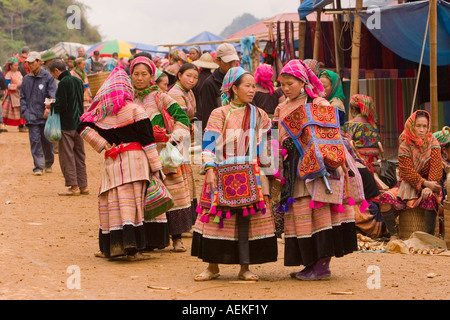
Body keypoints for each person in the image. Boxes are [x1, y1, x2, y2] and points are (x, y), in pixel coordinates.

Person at [273, 59, 357, 280]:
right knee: (301, 212)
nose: (286, 87)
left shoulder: (319, 103)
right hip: (294, 169)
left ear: (302, 81)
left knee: (321, 211)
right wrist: (284, 146)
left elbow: (330, 133)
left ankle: (322, 266)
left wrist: (306, 142)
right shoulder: (280, 107)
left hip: (321, 168)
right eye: (282, 83)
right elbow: (275, 135)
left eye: (290, 83)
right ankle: (310, 263)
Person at [191, 66, 276, 281]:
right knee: (217, 220)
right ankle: (212, 267)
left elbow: (267, 143)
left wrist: (270, 171)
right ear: (233, 88)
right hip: (223, 171)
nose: (252, 90)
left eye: (253, 86)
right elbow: (209, 142)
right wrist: (209, 168)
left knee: (248, 221)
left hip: (253, 173)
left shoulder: (260, 115)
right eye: (247, 86)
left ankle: (245, 268)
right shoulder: (219, 114)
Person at [77, 67, 164, 260]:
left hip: (113, 161)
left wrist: (103, 145)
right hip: (136, 162)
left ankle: (110, 247)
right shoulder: (136, 110)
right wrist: (157, 168)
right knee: (132, 204)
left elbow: (81, 126)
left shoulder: (100, 114)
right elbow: (148, 141)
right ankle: (133, 249)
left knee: (112, 201)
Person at [130, 55, 194, 252]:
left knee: (173, 191)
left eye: (144, 74)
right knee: (145, 194)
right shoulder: (126, 98)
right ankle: (151, 239)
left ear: (151, 75)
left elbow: (181, 116)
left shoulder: (160, 96)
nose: (139, 78)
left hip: (162, 153)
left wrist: (174, 137)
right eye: (136, 74)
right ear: (130, 75)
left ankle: (177, 239)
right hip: (139, 154)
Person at [379, 110, 442, 239]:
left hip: (430, 184)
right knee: (385, 198)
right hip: (407, 186)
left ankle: (429, 238)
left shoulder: (433, 142)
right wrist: (424, 183)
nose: (422, 130)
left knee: (431, 199)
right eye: (418, 126)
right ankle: (394, 235)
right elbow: (407, 172)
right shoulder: (405, 144)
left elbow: (436, 167)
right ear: (411, 126)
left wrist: (430, 186)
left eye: (425, 126)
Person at [47, 59, 88, 196]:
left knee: (67, 156)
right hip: (79, 124)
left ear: (57, 71)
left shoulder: (63, 83)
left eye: (53, 74)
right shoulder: (77, 81)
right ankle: (84, 186)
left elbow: (62, 105)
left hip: (67, 125)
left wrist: (51, 105)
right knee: (79, 155)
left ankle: (73, 186)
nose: (53, 76)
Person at [20, 51, 57, 176]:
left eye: (32, 62)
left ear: (39, 62)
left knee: (46, 141)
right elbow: (22, 97)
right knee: (35, 141)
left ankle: (48, 162)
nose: (30, 65)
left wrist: (48, 108)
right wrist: (24, 111)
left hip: (44, 115)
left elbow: (52, 95)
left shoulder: (48, 77)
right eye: (28, 63)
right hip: (31, 116)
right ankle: (38, 166)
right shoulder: (26, 79)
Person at [200, 43, 240, 131]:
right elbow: (207, 114)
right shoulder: (209, 84)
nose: (232, 65)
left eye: (234, 61)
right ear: (217, 61)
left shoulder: (239, 79)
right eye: (228, 62)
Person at [342, 94, 381, 172]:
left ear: (353, 109)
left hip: (358, 163)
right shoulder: (374, 126)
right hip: (375, 163)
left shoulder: (349, 125)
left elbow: (345, 145)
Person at [192, 52, 219, 122]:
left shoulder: (196, 78)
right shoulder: (213, 79)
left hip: (197, 112)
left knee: (198, 132)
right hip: (211, 113)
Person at [2, 57, 26, 131]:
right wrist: (17, 86)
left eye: (17, 65)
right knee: (12, 111)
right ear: (11, 66)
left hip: (19, 94)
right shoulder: (9, 74)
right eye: (15, 65)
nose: (16, 67)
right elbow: (7, 85)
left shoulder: (19, 73)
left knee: (21, 109)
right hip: (12, 96)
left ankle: (22, 125)